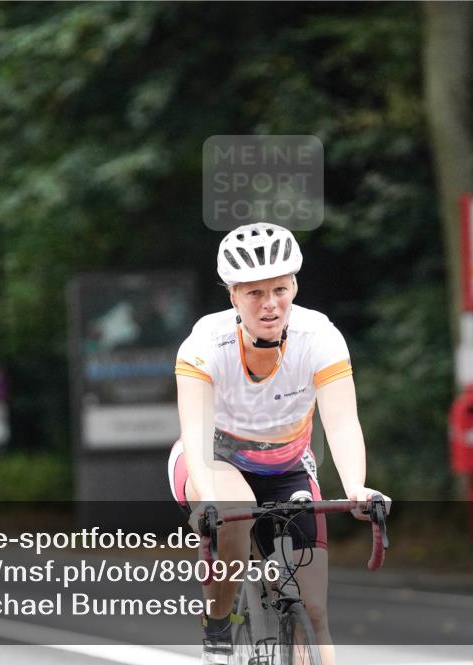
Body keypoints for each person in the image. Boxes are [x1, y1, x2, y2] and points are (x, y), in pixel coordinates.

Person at [168, 222, 390, 665]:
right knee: (234, 512)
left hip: (286, 465)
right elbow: (194, 429)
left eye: (280, 289)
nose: (270, 304)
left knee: (314, 611)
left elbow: (343, 423)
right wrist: (208, 499)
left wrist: (357, 488)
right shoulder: (204, 343)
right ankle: (217, 625)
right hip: (215, 460)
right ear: (232, 295)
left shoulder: (320, 337)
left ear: (294, 285)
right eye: (254, 293)